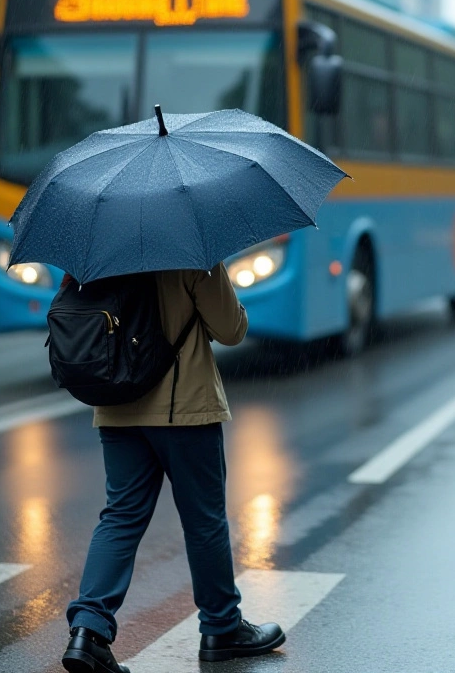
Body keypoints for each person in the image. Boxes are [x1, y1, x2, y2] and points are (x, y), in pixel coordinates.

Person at [62, 264, 285, 673]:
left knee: (120, 518)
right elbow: (232, 330)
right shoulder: (191, 252)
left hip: (117, 404)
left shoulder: (100, 253)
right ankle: (221, 627)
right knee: (204, 521)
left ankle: (87, 633)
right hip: (185, 409)